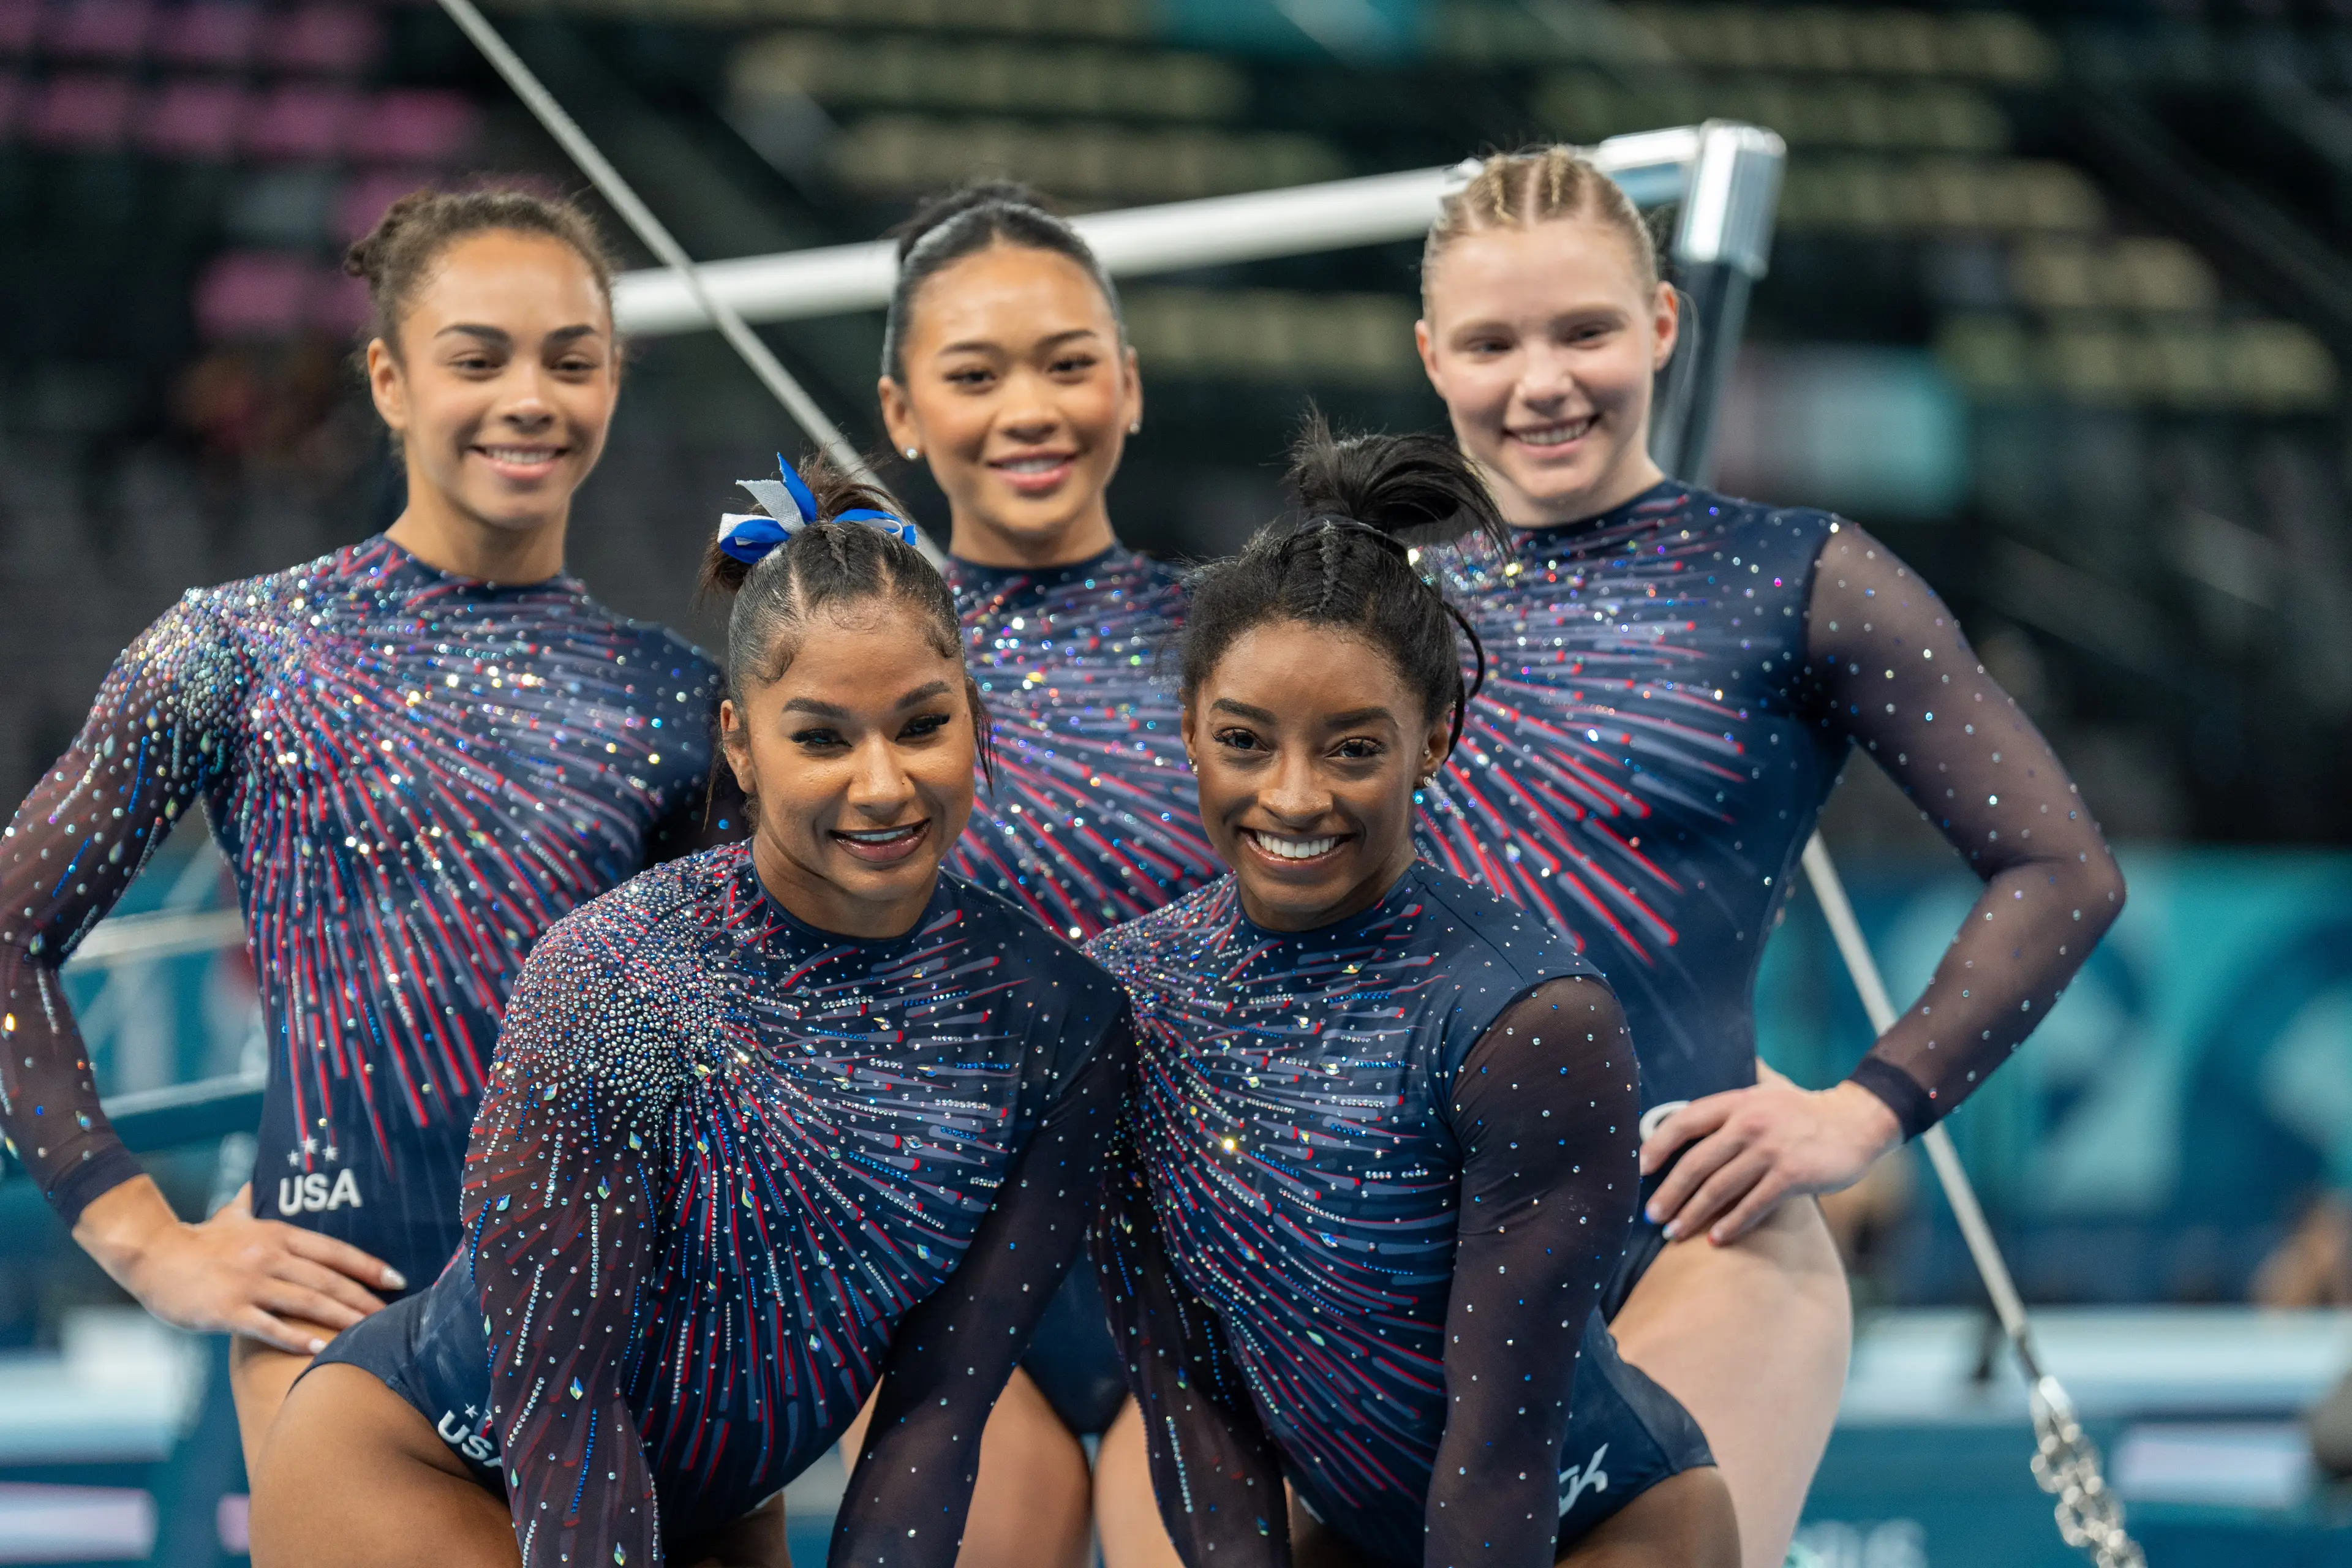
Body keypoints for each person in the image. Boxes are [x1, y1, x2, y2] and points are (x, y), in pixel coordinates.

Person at [1410, 146, 2127, 1566]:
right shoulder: (1368, 606)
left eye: (1586, 332)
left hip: (1697, 1223)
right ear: (1432, 356)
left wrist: (1866, 1111)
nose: (1542, 380)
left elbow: (2060, 866)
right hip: (1410, 1240)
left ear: (1664, 325)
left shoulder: (1798, 577)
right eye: (1494, 342)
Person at [247, 463, 1137, 1568]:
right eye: (820, 738)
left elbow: (936, 1414)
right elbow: (562, 1399)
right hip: (433, 1457)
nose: (881, 785)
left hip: (700, 1511)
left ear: (973, 718)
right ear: (738, 742)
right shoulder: (617, 977)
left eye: (921, 725)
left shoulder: (1060, 1020)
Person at [0, 187, 727, 1469]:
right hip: (341, 1307)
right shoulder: (237, 650)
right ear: (388, 377)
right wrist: (144, 1237)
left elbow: (735, 1035)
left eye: (572, 359)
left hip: (614, 1328)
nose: (530, 396)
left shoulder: (671, 698)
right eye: (477, 356)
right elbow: (10, 935)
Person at [1087, 424, 1739, 1568]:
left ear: (1435, 739)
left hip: (1595, 1525)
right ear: (1188, 723)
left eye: (1352, 750)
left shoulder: (1526, 1020)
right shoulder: (1125, 1003)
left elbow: (1503, 1453)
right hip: (1356, 1531)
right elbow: (1186, 1388)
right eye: (1246, 740)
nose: (1293, 797)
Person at [867, 181, 1218, 1568]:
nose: (1030, 409)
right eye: (975, 373)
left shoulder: (1236, 646)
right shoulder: (842, 671)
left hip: (1214, 1276)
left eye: (1070, 363)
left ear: (1128, 387)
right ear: (901, 411)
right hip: (937, 1275)